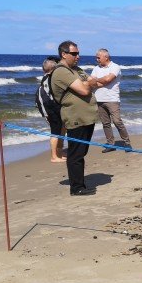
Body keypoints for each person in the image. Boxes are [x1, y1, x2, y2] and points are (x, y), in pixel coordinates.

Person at [51, 41, 99, 196]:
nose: (78, 56)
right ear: (64, 54)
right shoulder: (61, 71)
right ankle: (77, 187)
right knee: (76, 153)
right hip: (75, 117)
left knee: (81, 152)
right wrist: (88, 83)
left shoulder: (76, 69)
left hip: (87, 117)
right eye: (74, 54)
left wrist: (88, 83)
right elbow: (85, 90)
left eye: (78, 53)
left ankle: (80, 184)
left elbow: (94, 82)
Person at [91, 48, 132, 153]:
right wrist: (101, 81)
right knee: (105, 123)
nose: (97, 59)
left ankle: (127, 142)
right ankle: (110, 144)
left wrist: (99, 80)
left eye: (98, 57)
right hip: (99, 99)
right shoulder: (96, 68)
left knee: (117, 121)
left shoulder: (115, 67)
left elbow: (108, 79)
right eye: (96, 57)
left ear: (106, 57)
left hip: (112, 99)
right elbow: (92, 82)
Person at [37, 55, 66, 163]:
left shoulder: (47, 77)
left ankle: (59, 152)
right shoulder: (50, 78)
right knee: (55, 131)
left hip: (52, 106)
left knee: (62, 129)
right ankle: (54, 156)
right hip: (49, 107)